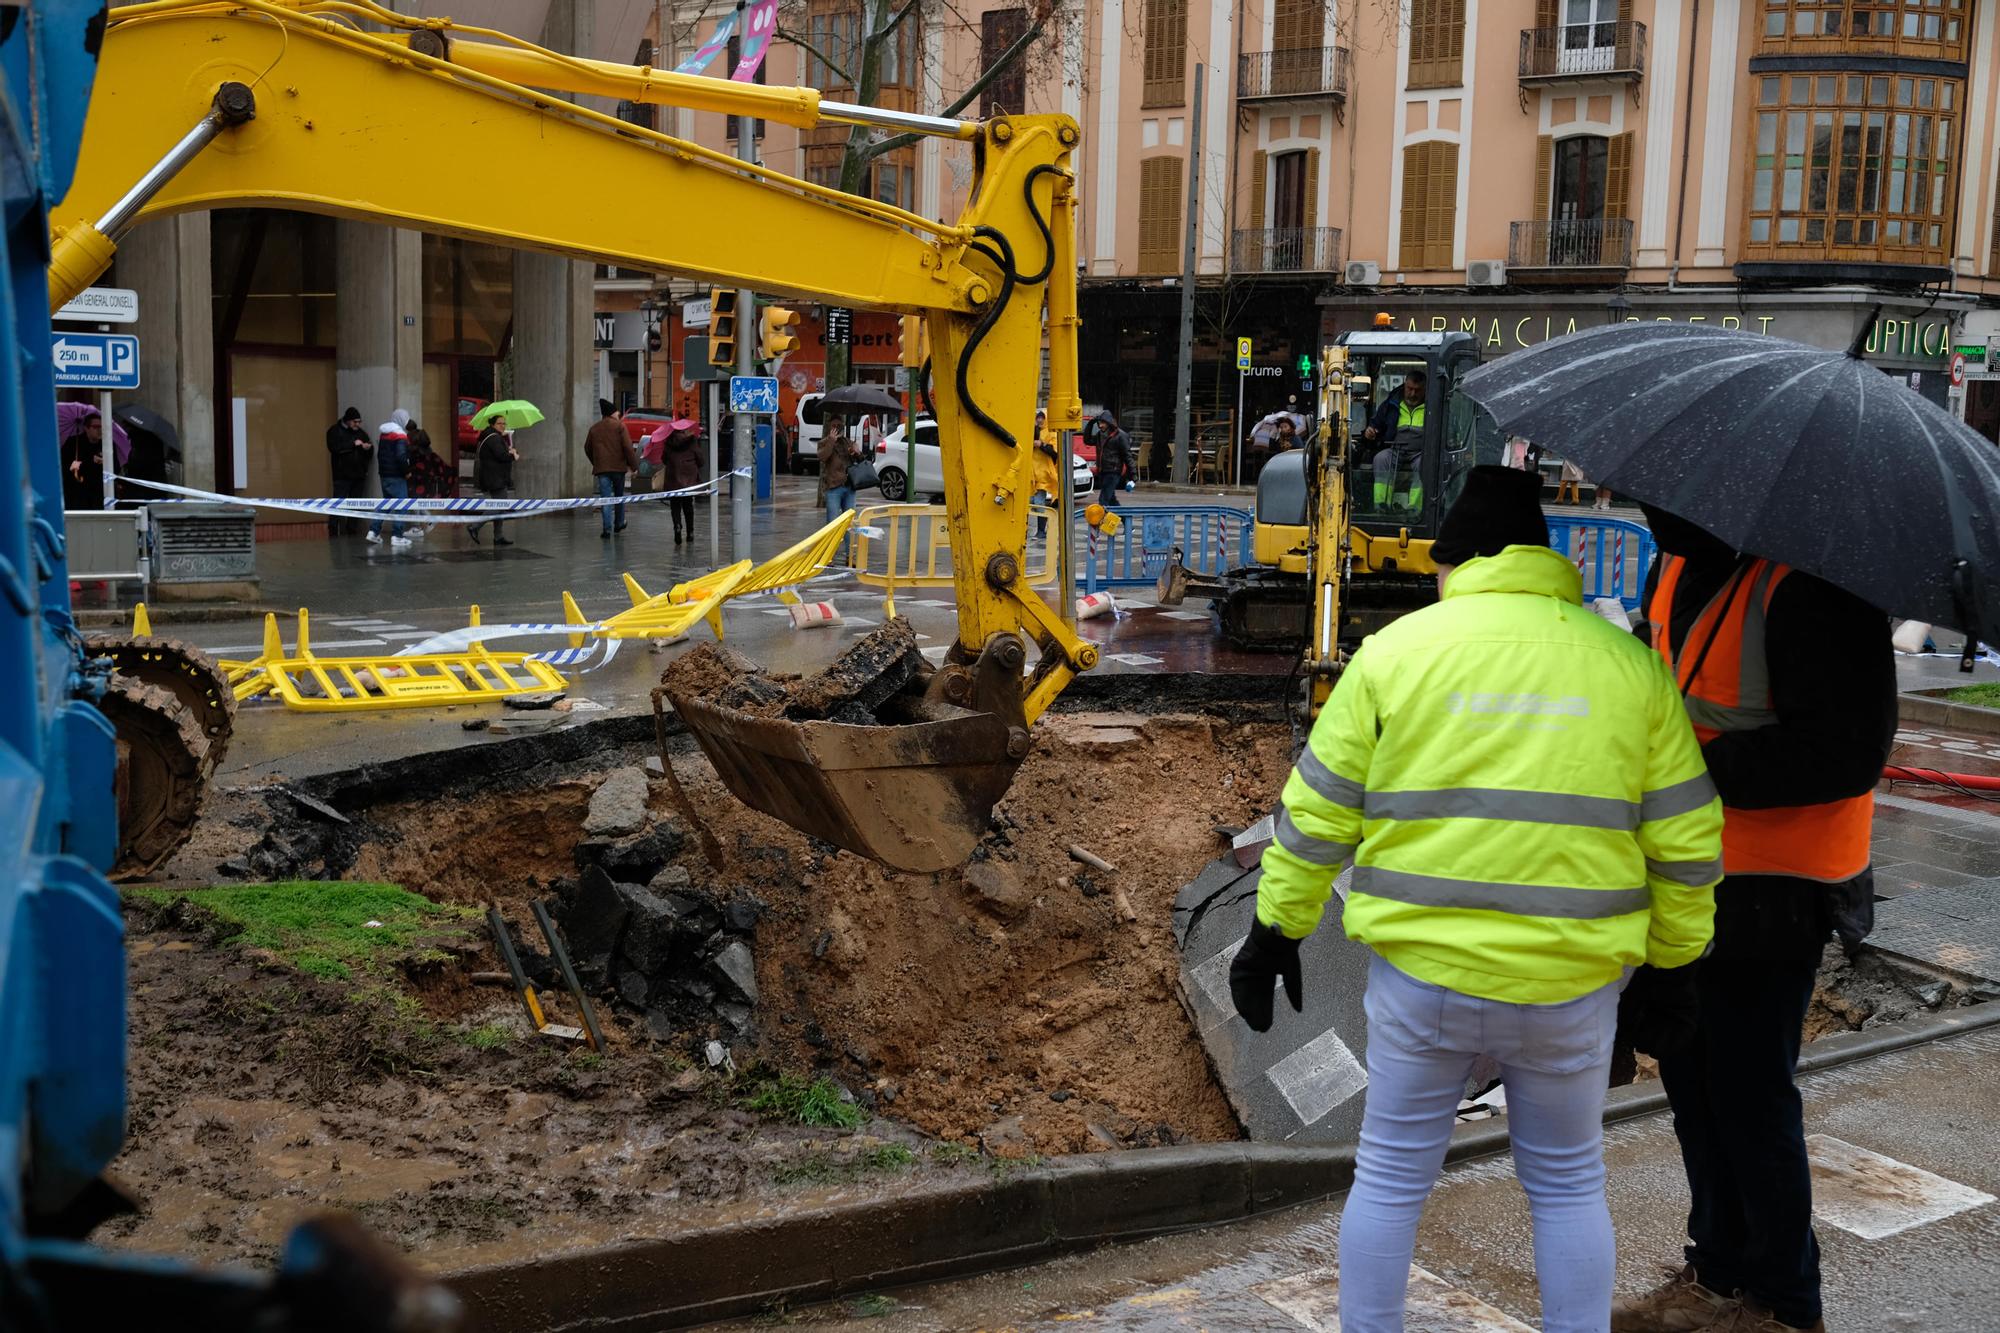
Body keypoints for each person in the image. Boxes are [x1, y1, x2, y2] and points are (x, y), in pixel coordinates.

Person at [1229, 465, 1722, 1333]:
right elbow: (1685, 843)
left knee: (1388, 1177)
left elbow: (1313, 820)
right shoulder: (1631, 669)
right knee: (1568, 1182)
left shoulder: (1394, 655)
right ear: (1544, 559)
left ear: (1455, 563)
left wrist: (1275, 931)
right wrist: (1674, 966)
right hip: (1570, 989)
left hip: (1425, 982)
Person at [1611, 506, 1895, 1333]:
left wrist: (1692, 767)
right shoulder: (1675, 567)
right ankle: (1717, 1270)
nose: (1654, 519)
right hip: (1686, 876)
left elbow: (1848, 747)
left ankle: (1782, 1301)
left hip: (1776, 888)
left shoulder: (1810, 590)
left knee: (1750, 1091)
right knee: (1694, 1086)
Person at [1363, 370, 1427, 511]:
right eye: (1409, 389)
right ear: (1404, 386)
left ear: (1424, 390)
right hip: (1395, 449)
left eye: (1417, 390)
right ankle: (1381, 505)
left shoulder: (1432, 407)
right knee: (1380, 458)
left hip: (1420, 452)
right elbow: (1375, 424)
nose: (1412, 394)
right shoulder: (1391, 404)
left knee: (1426, 464)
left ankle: (1414, 508)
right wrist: (1371, 431)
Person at [584, 399, 639, 539]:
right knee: (619, 497)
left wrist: (596, 462)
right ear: (611, 413)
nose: (619, 413)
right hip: (618, 469)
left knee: (605, 499)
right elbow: (628, 448)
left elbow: (587, 448)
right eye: (616, 411)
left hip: (602, 470)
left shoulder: (594, 428)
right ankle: (619, 522)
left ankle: (606, 529)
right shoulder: (620, 427)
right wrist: (634, 467)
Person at [466, 414, 516, 546]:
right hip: (495, 478)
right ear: (493, 425)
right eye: (500, 423)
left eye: (504, 423)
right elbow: (501, 456)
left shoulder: (492, 437)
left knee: (500, 506)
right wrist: (512, 455)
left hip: (494, 477)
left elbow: (496, 454)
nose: (503, 426)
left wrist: (508, 451)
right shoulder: (494, 438)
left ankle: (498, 536)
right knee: (498, 506)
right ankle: (474, 526)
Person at [401, 412, 452, 540]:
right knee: (417, 500)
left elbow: (409, 457)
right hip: (425, 475)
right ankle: (428, 520)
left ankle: (416, 527)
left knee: (413, 500)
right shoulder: (422, 437)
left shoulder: (411, 441)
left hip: (416, 476)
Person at [819, 417, 862, 562]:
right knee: (832, 523)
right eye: (834, 426)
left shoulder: (847, 442)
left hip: (849, 487)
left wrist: (856, 451)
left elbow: (860, 461)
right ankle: (828, 556)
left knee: (849, 523)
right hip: (833, 488)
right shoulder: (824, 442)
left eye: (840, 426)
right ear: (829, 428)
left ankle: (851, 556)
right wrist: (831, 440)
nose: (837, 429)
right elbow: (823, 457)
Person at [325, 407, 373, 536]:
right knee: (337, 502)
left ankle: (352, 529)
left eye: (359, 422)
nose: (357, 424)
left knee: (356, 503)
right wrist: (353, 444)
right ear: (347, 420)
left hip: (358, 475)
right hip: (342, 475)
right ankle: (333, 529)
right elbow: (334, 448)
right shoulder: (335, 431)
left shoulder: (361, 433)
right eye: (355, 422)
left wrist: (367, 448)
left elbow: (369, 452)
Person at [366, 419, 413, 548]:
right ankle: (397, 536)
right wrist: (406, 471)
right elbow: (401, 456)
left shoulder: (384, 434)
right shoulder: (400, 436)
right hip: (397, 476)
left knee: (386, 503)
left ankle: (373, 531)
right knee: (402, 504)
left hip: (384, 475)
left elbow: (381, 454)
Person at [662, 424, 702, 545]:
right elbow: (701, 460)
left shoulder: (669, 442)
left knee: (675, 506)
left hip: (673, 478)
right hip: (689, 479)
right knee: (688, 506)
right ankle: (690, 532)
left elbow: (664, 459)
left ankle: (677, 526)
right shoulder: (692, 441)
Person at [60, 408, 106, 511]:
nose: (99, 430)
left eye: (101, 427)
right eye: (95, 427)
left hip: (98, 494)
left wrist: (105, 463)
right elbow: (65, 466)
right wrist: (88, 462)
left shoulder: (107, 445)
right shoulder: (73, 443)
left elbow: (115, 467)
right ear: (86, 428)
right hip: (78, 494)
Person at [1030, 408, 1061, 539]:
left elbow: (1055, 452)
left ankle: (1042, 531)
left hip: (1043, 473)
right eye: (1038, 417)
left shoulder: (1051, 433)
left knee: (1038, 502)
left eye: (1042, 417)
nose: (1040, 420)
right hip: (1031, 473)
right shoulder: (1033, 430)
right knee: (1030, 502)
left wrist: (1041, 445)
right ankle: (1030, 531)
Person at [1094, 413, 1133, 509]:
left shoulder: (1120, 436)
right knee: (1111, 500)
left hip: (1113, 471)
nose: (1100, 426)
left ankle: (1102, 523)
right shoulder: (1101, 435)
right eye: (1099, 423)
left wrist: (1133, 475)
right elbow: (1087, 440)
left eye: (1103, 423)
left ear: (1109, 423)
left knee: (1103, 500)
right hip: (1103, 471)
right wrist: (1091, 423)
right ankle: (1125, 519)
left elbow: (1127, 455)